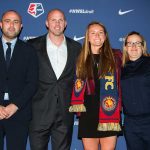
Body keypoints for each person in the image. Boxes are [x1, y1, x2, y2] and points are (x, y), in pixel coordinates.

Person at [28, 9, 81, 150]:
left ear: (65, 23)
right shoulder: (32, 45)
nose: (57, 24)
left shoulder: (76, 47)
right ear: (47, 23)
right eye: (53, 20)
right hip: (38, 113)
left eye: (60, 20)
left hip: (65, 113)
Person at [69, 21, 122, 150]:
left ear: (105, 36)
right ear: (87, 36)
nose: (97, 35)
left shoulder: (117, 56)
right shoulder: (79, 58)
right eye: (93, 33)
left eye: (100, 32)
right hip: (88, 114)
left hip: (109, 111)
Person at [0, 10, 38, 150]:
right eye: (7, 21)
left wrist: (15, 105)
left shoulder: (29, 50)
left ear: (21, 26)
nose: (11, 25)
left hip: (19, 113)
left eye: (16, 22)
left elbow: (32, 83)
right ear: (1, 24)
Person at [121, 31, 150, 150]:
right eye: (130, 43)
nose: (133, 46)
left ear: (142, 46)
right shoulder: (120, 68)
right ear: (125, 47)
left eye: (137, 43)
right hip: (130, 123)